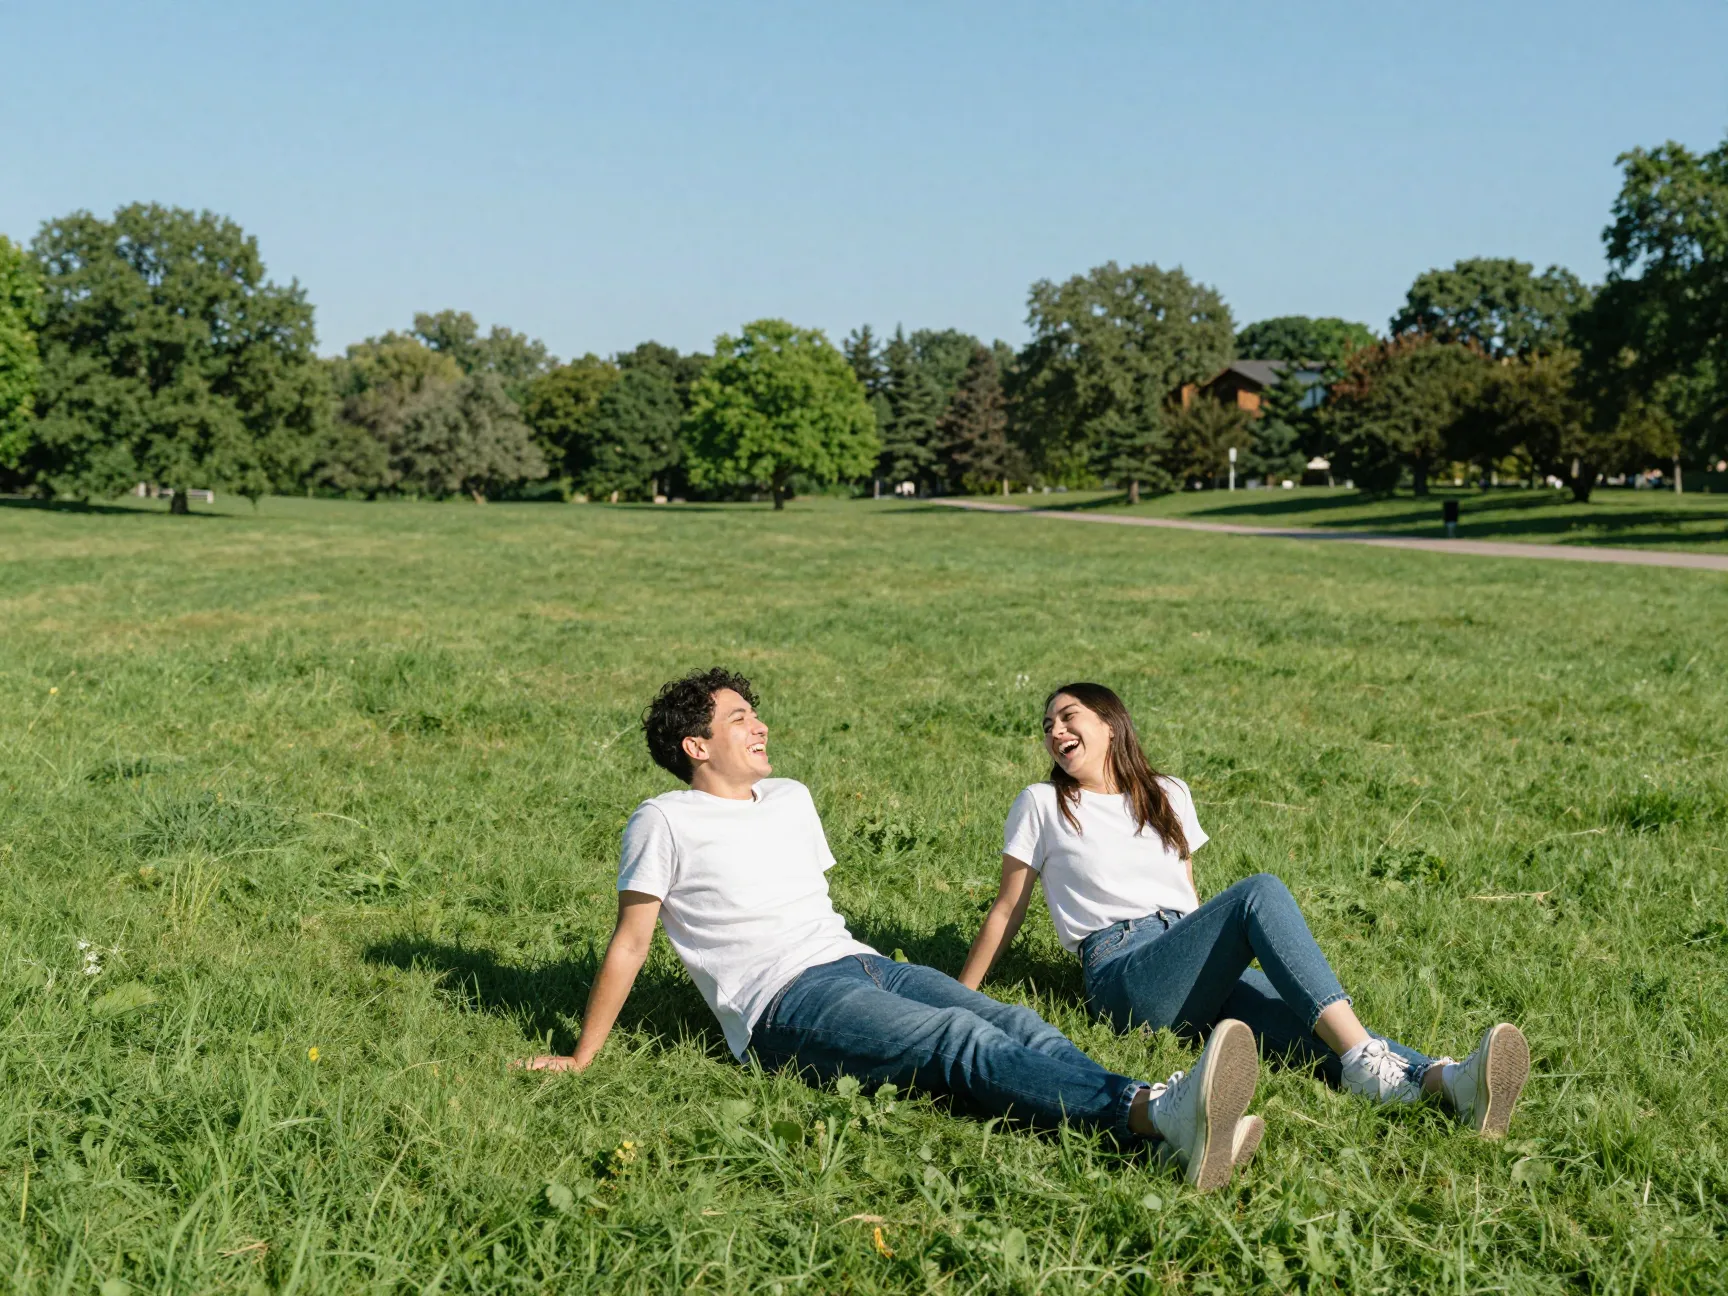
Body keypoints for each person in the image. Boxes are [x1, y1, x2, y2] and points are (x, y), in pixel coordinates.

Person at [519, 668, 1261, 1190]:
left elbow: (810, 906)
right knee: (956, 1043)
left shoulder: (788, 796)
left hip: (857, 961)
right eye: (739, 717)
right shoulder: (663, 819)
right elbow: (632, 941)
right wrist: (584, 1056)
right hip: (783, 1002)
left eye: (754, 711)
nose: (760, 723)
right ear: (696, 746)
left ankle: (1162, 1126)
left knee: (1013, 1020)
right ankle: (1150, 1111)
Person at [958, 682, 1530, 1139]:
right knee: (1260, 892)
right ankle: (1370, 1063)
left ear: (1110, 724)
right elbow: (1008, 908)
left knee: (1314, 1021)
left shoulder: (1168, 793)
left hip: (1184, 954)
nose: (1055, 731)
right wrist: (961, 998)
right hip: (1124, 972)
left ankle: (1447, 1082)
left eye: (1068, 716)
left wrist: (1218, 956)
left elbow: (1189, 898)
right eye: (1047, 726)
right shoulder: (1042, 802)